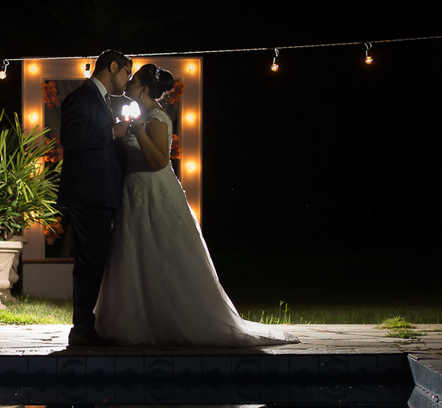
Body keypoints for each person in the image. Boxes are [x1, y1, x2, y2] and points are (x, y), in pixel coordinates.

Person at [94, 64, 298, 346]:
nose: (127, 84)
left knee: (163, 251)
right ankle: (136, 319)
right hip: (133, 193)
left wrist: (138, 131)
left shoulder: (155, 118)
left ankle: (173, 318)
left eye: (133, 81)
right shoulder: (137, 117)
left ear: (142, 88)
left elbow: (159, 162)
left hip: (154, 190)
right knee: (135, 252)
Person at [57, 49, 133, 347]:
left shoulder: (99, 99)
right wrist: (112, 132)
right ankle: (82, 329)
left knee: (96, 259)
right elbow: (71, 139)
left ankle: (88, 326)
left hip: (100, 192)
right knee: (89, 261)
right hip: (88, 193)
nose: (126, 80)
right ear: (112, 66)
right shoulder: (81, 97)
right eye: (126, 72)